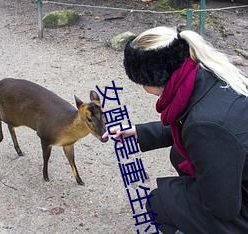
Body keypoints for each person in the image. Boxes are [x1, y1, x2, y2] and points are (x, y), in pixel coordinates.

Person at [102, 26, 248, 234]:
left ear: (153, 77)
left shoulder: (205, 126)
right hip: (239, 171)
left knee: (159, 203)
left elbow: (223, 208)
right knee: (179, 154)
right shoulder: (208, 72)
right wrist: (139, 132)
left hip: (239, 208)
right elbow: (194, 123)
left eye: (141, 82)